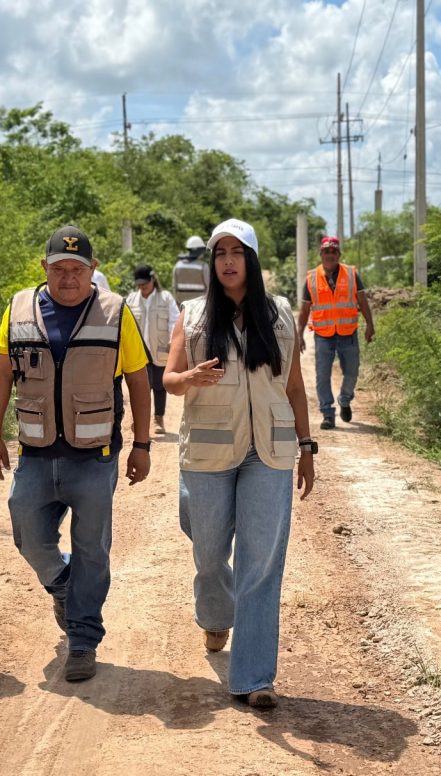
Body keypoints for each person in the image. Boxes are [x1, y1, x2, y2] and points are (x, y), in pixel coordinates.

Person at [0, 225, 151, 683]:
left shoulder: (115, 313)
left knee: (91, 550)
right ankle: (62, 584)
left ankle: (82, 640)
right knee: (27, 534)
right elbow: (1, 374)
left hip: (94, 457)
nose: (68, 277)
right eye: (59, 268)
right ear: (45, 268)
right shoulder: (19, 308)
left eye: (77, 269)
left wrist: (142, 444)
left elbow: (138, 380)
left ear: (92, 269)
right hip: (36, 454)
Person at [164, 218, 315, 709]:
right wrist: (189, 377)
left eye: (236, 252)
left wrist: (307, 447)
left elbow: (294, 387)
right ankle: (215, 615)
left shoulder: (280, 313)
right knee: (209, 553)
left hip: (268, 452)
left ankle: (254, 677)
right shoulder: (192, 314)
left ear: (250, 258)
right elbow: (169, 380)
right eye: (219, 253)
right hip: (208, 454)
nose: (227, 261)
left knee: (261, 563)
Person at [297, 236, 375, 430]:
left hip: (348, 333)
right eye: (326, 251)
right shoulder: (311, 278)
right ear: (321, 254)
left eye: (333, 251)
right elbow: (304, 310)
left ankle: (345, 399)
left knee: (352, 372)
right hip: (323, 335)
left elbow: (362, 300)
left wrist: (370, 324)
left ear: (339, 254)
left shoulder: (351, 274)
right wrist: (300, 335)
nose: (330, 255)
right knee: (322, 376)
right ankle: (328, 414)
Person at [125, 264, 179, 435]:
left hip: (160, 350)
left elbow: (175, 320)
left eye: (145, 283)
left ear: (153, 279)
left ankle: (158, 419)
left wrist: (172, 340)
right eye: (140, 284)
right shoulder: (131, 300)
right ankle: (141, 423)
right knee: (141, 389)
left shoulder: (165, 298)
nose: (143, 287)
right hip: (139, 352)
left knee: (159, 387)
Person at [172, 235, 211, 305]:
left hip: (182, 305)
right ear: (199, 251)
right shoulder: (203, 266)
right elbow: (209, 288)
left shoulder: (178, 265)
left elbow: (174, 287)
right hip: (200, 305)